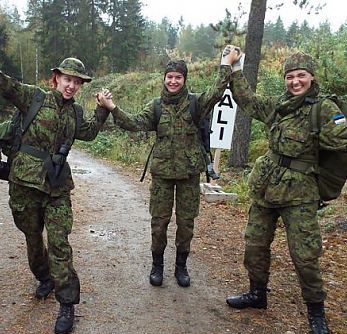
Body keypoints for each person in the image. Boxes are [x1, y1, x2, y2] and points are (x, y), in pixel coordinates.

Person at [223, 49, 347, 334]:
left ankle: (316, 311)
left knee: (305, 256)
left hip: (300, 193)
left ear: (312, 77)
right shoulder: (279, 105)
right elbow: (248, 101)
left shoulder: (325, 110)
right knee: (254, 244)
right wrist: (235, 68)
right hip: (266, 188)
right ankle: (257, 293)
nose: (295, 81)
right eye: (290, 76)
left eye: (301, 75)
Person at [0, 34, 110, 334]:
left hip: (57, 186)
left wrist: (102, 109)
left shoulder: (76, 112)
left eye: (77, 82)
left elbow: (88, 133)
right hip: (24, 185)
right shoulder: (33, 98)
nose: (72, 85)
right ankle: (44, 277)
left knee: (60, 242)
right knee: (32, 237)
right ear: (56, 78)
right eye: (67, 79)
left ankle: (67, 304)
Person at [96, 46, 241, 288]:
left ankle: (181, 266)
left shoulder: (196, 103)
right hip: (162, 174)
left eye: (178, 77)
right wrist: (112, 107)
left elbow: (217, 91)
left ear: (184, 79)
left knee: (186, 223)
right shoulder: (156, 106)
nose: (173, 81)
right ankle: (157, 265)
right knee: (159, 222)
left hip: (188, 175)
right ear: (164, 79)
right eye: (170, 77)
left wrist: (226, 63)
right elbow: (134, 123)